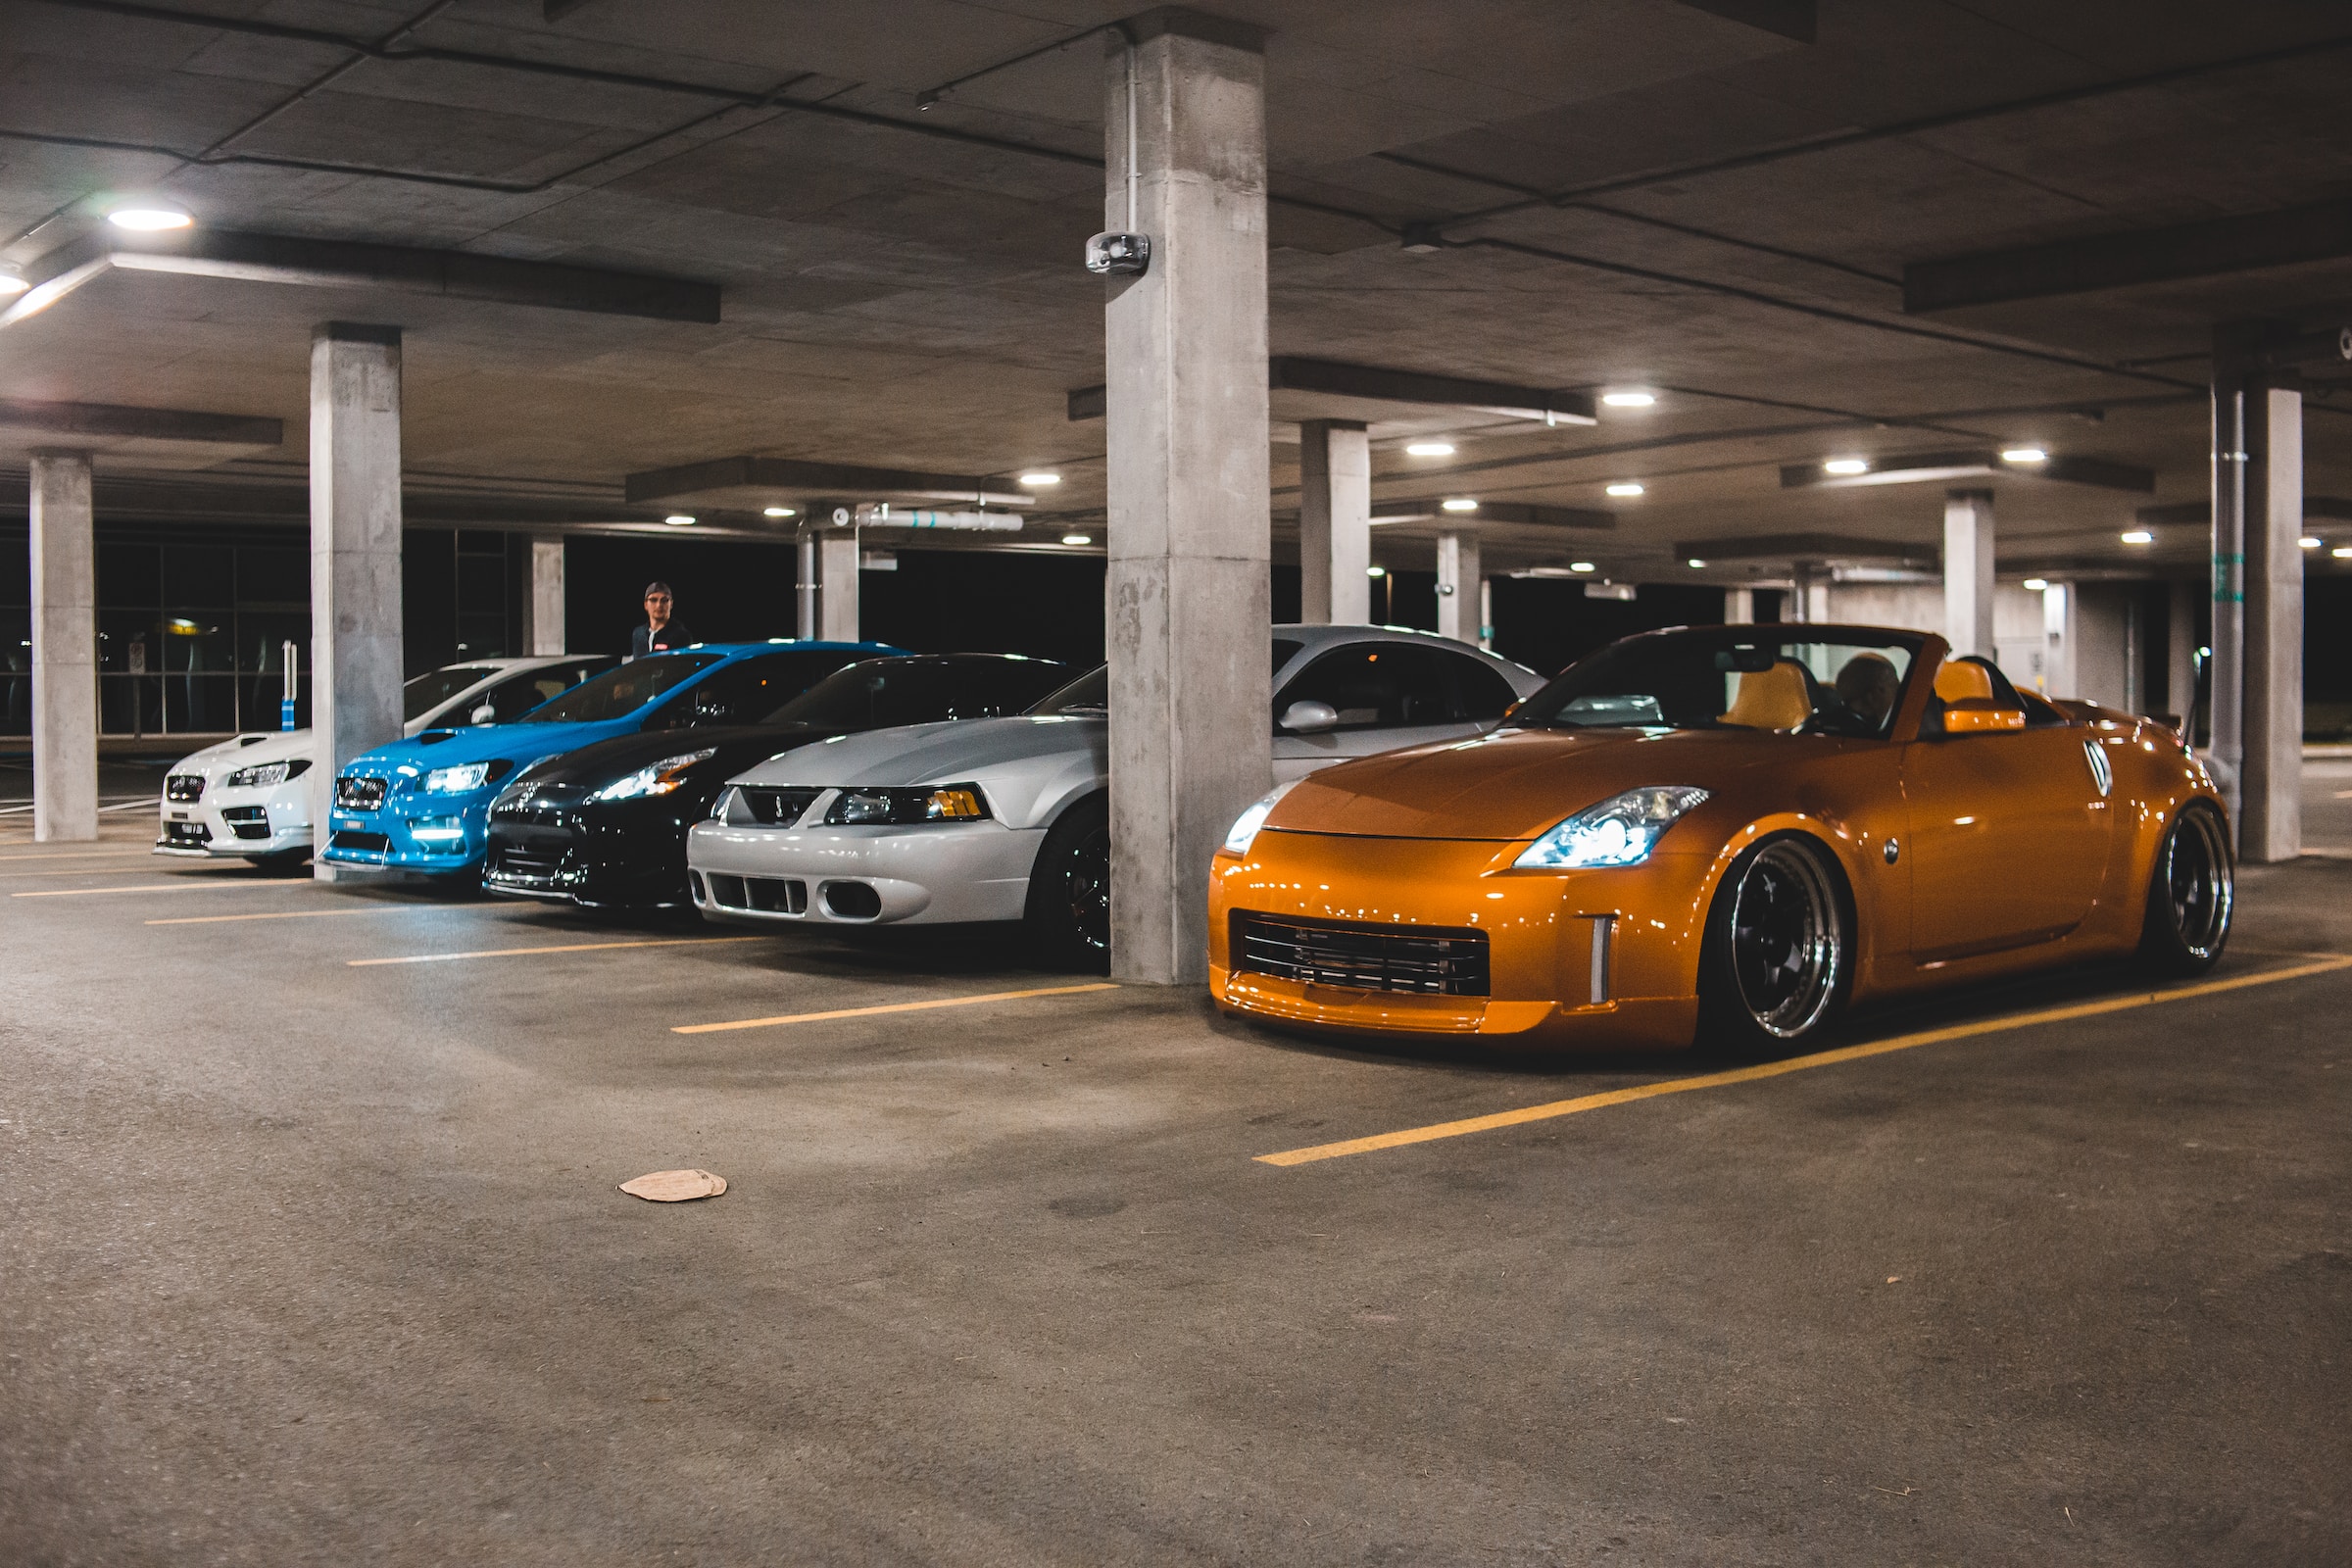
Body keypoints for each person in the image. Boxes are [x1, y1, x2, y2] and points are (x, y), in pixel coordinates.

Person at [1833, 651, 1901, 732]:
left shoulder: (1831, 723)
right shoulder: (1882, 732)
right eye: (1893, 686)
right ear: (1877, 691)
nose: (1897, 695)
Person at [630, 582, 695, 659]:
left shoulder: (681, 636)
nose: (659, 605)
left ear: (671, 604)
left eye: (664, 600)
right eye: (653, 600)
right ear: (646, 604)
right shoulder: (638, 634)